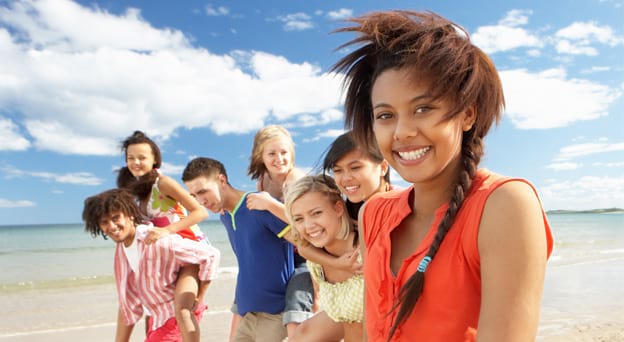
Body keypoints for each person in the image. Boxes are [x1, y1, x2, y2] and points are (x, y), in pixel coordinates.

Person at [331, 11, 554, 341]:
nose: (403, 131)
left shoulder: (504, 205)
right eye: (385, 115)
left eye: (423, 109)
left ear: (467, 115)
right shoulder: (372, 214)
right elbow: (371, 329)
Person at [182, 157, 297, 342]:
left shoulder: (259, 205)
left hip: (275, 313)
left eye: (203, 191)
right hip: (247, 312)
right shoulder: (225, 216)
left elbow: (302, 240)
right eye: (194, 195)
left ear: (221, 180)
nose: (200, 201)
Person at [82, 188, 220, 342]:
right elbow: (128, 299)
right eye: (105, 222)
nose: (112, 226)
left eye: (116, 218)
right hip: (158, 319)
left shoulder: (154, 239)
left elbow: (210, 254)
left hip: (175, 319)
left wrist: (199, 297)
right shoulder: (122, 249)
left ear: (130, 215)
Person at [117, 130, 210, 341]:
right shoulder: (133, 191)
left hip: (188, 252)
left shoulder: (164, 183)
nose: (136, 162)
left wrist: (167, 230)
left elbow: (200, 212)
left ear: (154, 159)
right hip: (162, 259)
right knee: (154, 317)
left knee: (183, 310)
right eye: (131, 158)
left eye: (142, 157)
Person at [244, 125, 314, 338]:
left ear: (291, 153)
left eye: (284, 152)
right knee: (246, 298)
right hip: (281, 257)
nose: (279, 159)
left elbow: (305, 222)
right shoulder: (263, 181)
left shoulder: (295, 179)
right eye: (272, 153)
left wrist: (269, 203)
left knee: (295, 304)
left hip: (306, 256)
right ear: (261, 156)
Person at [284, 175, 364, 342]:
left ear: (338, 209)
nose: (308, 226)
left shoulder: (365, 249)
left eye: (316, 213)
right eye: (299, 219)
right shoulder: (316, 259)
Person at [321, 131, 391, 223]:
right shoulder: (348, 218)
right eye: (337, 170)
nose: (346, 178)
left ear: (383, 167)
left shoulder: (405, 208)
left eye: (355, 168)